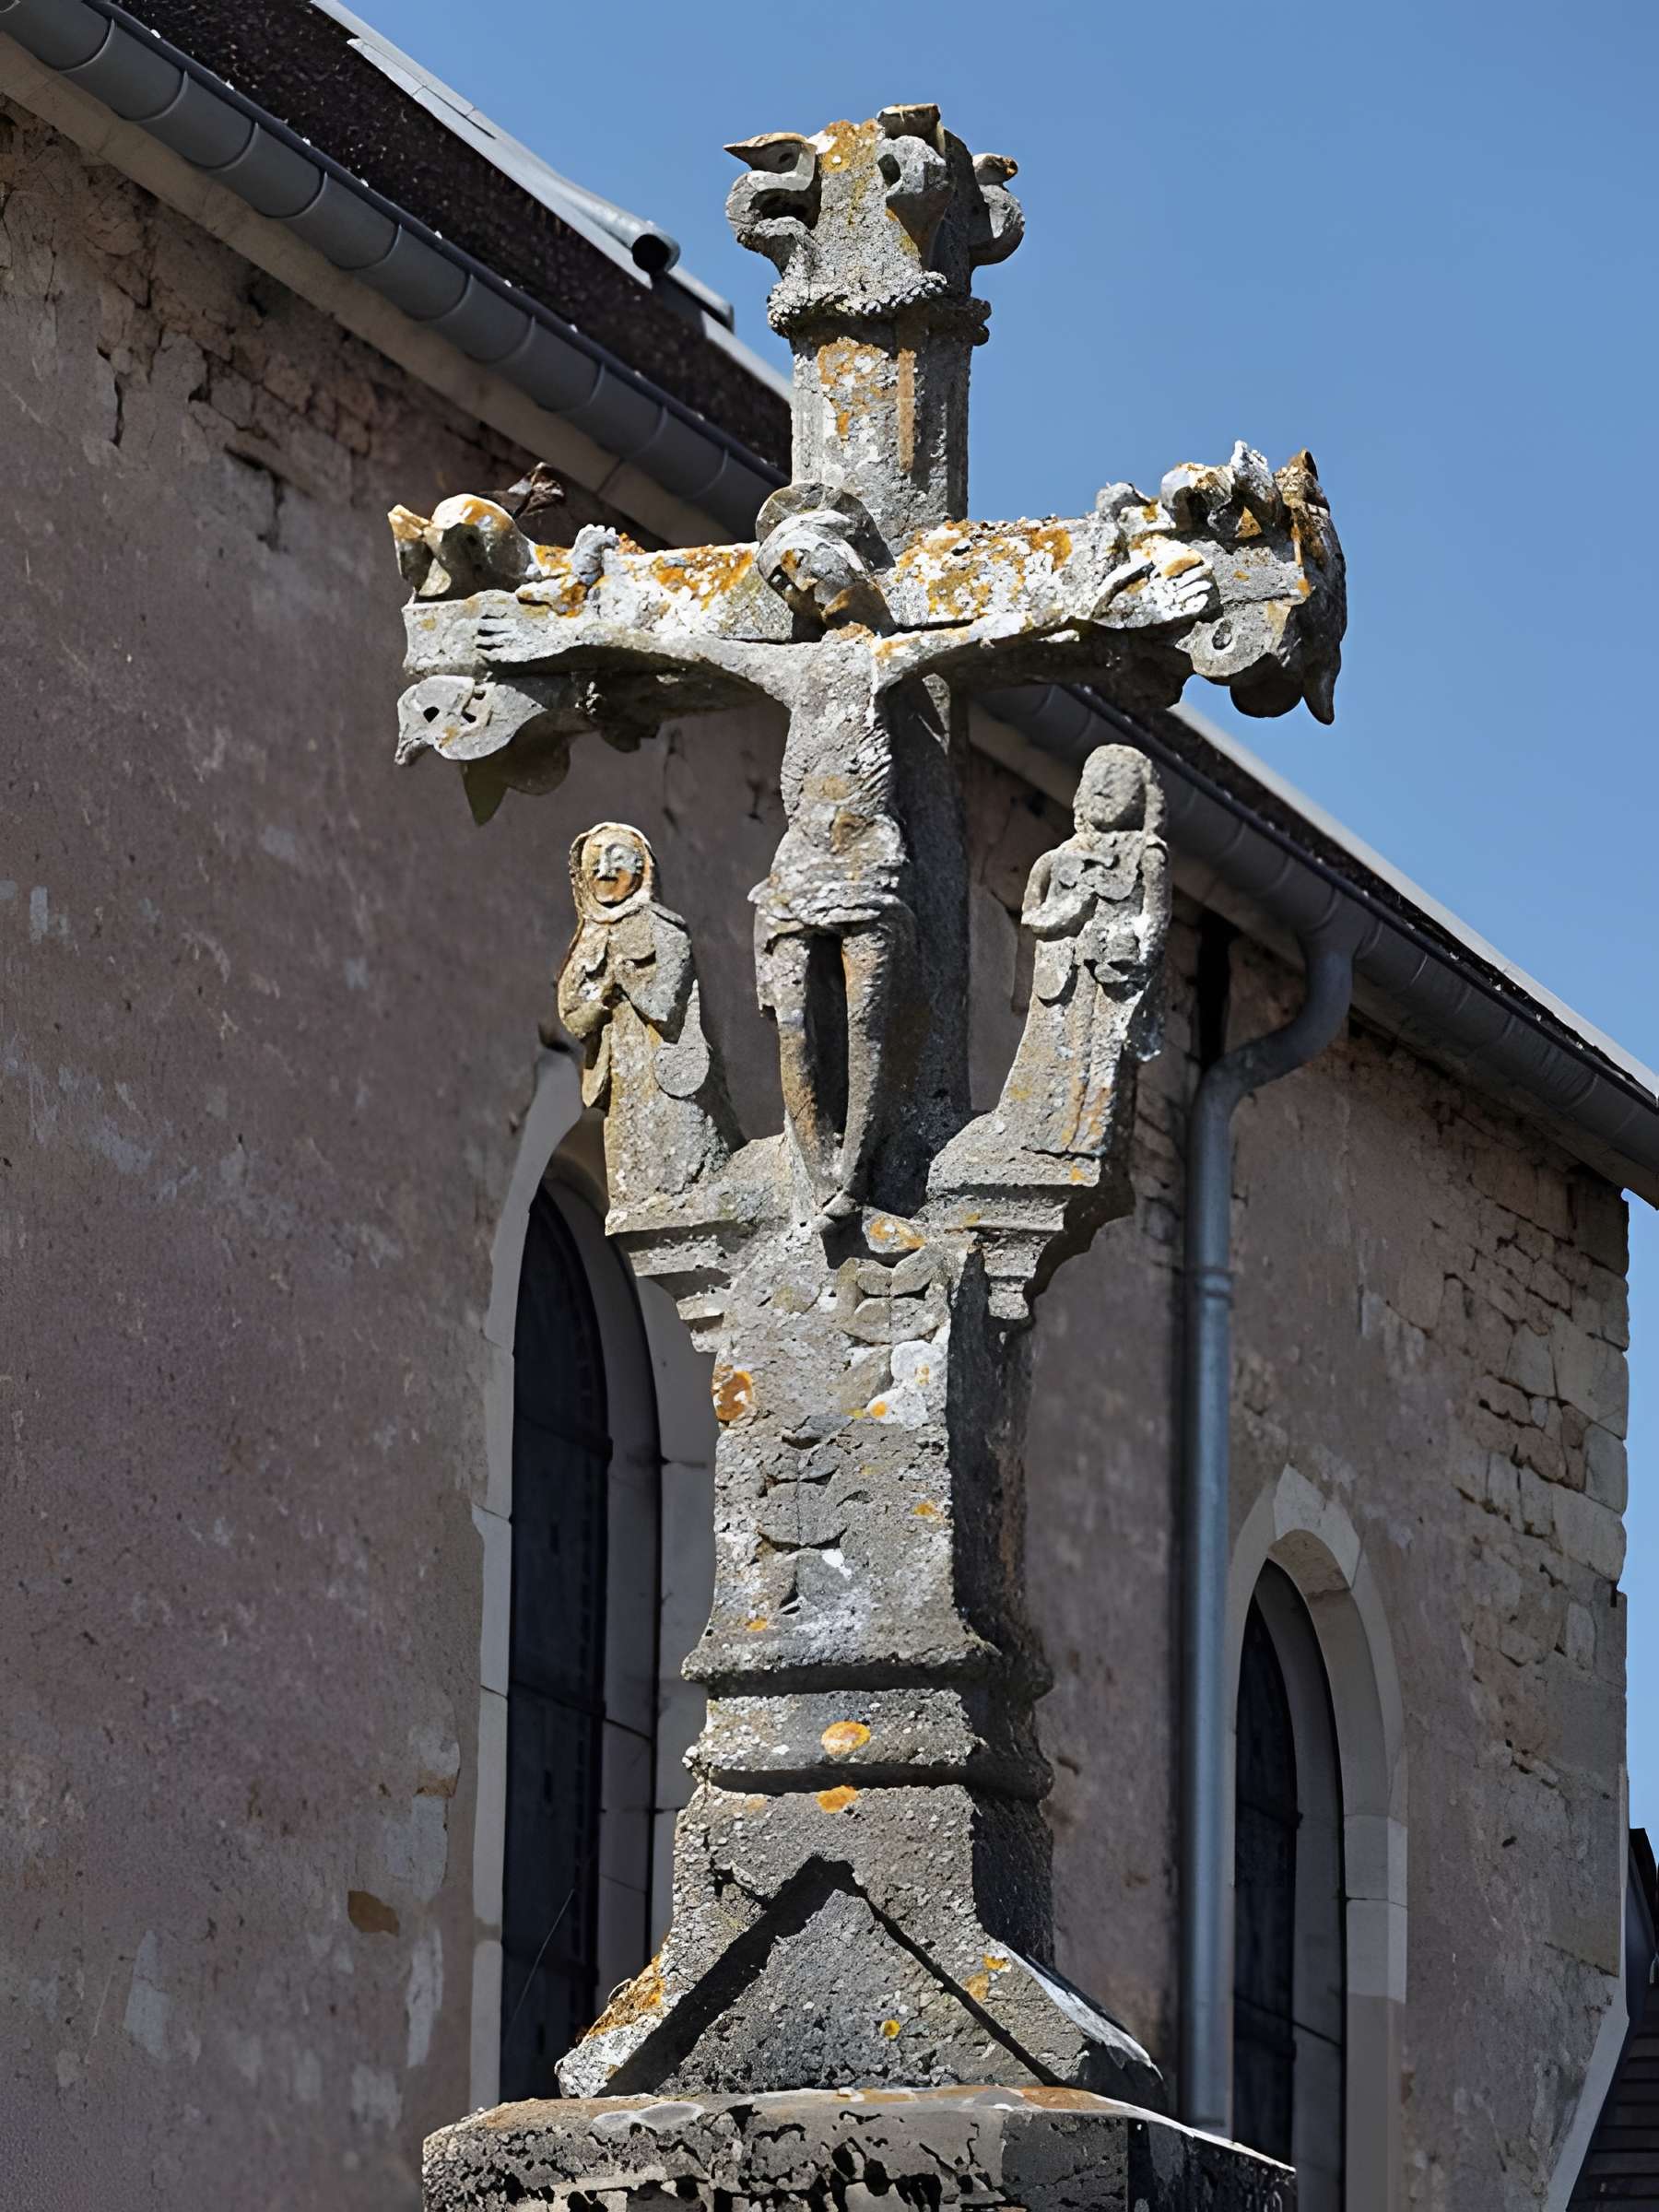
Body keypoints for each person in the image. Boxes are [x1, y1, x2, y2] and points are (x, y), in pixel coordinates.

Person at [996, 746, 1169, 1157]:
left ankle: (1086, 1136)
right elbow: (1032, 913)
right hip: (1061, 975)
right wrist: (1072, 910)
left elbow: (1155, 921)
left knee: (1099, 1054)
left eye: (1117, 778)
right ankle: (1033, 1130)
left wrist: (1131, 956)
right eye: (1095, 777)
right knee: (1047, 1048)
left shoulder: (1146, 854)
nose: (1104, 786)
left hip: (1112, 977)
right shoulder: (1058, 858)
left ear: (1142, 796)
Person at [558, 824, 735, 1206]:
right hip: (622, 1079)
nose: (604, 871)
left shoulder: (664, 931)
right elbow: (572, 1015)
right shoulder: (589, 940)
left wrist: (627, 981)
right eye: (594, 862)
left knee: (681, 1179)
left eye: (617, 858)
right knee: (634, 1183)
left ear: (642, 868)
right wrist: (602, 999)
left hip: (666, 1070)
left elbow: (666, 1008)